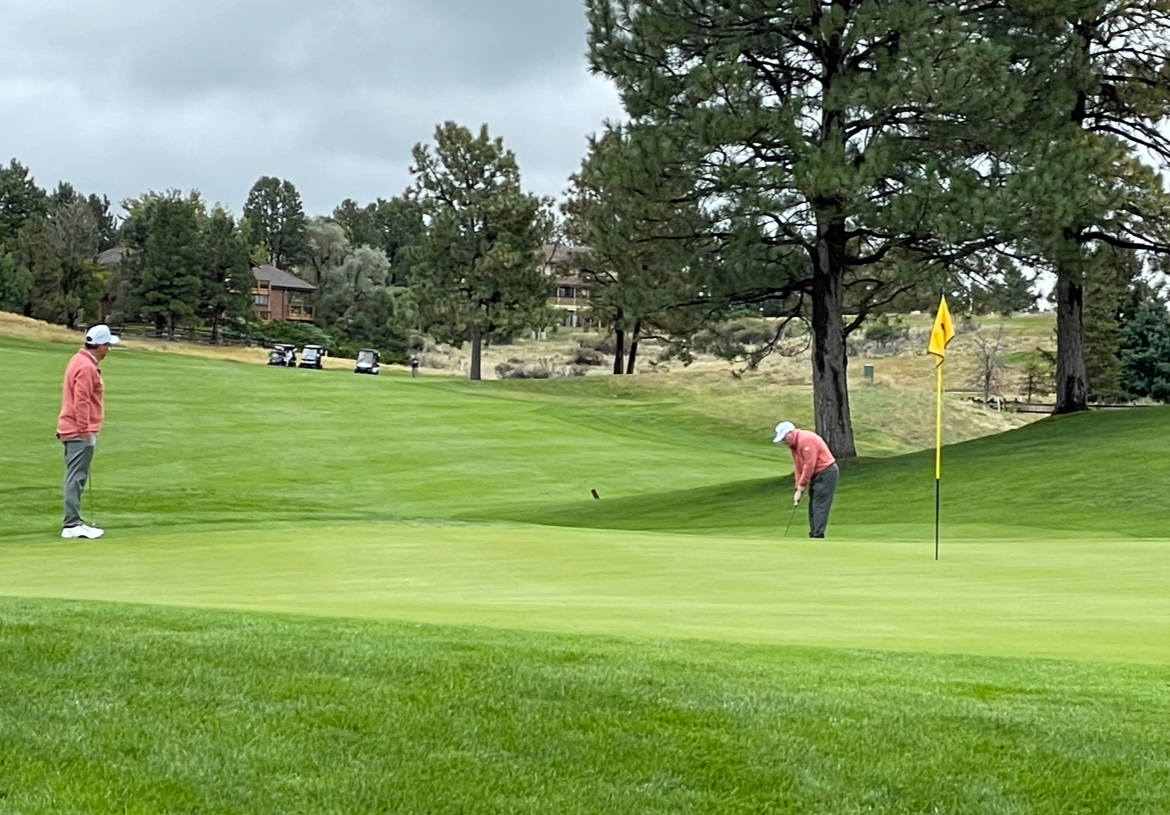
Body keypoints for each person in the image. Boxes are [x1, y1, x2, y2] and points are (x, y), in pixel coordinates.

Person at [56, 324, 120, 539]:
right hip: (78, 431)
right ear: (100, 346)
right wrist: (85, 430)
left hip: (73, 429)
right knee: (76, 477)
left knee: (77, 476)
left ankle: (75, 521)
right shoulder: (86, 367)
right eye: (108, 346)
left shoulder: (79, 359)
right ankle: (71, 524)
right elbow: (81, 401)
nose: (109, 350)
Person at [773, 421, 839, 539]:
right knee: (813, 505)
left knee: (819, 504)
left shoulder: (805, 440)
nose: (783, 442)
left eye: (784, 438)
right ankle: (814, 533)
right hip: (817, 474)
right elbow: (799, 467)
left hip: (826, 472)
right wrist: (798, 488)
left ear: (790, 433)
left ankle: (817, 534)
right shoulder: (793, 446)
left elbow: (809, 465)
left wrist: (802, 485)